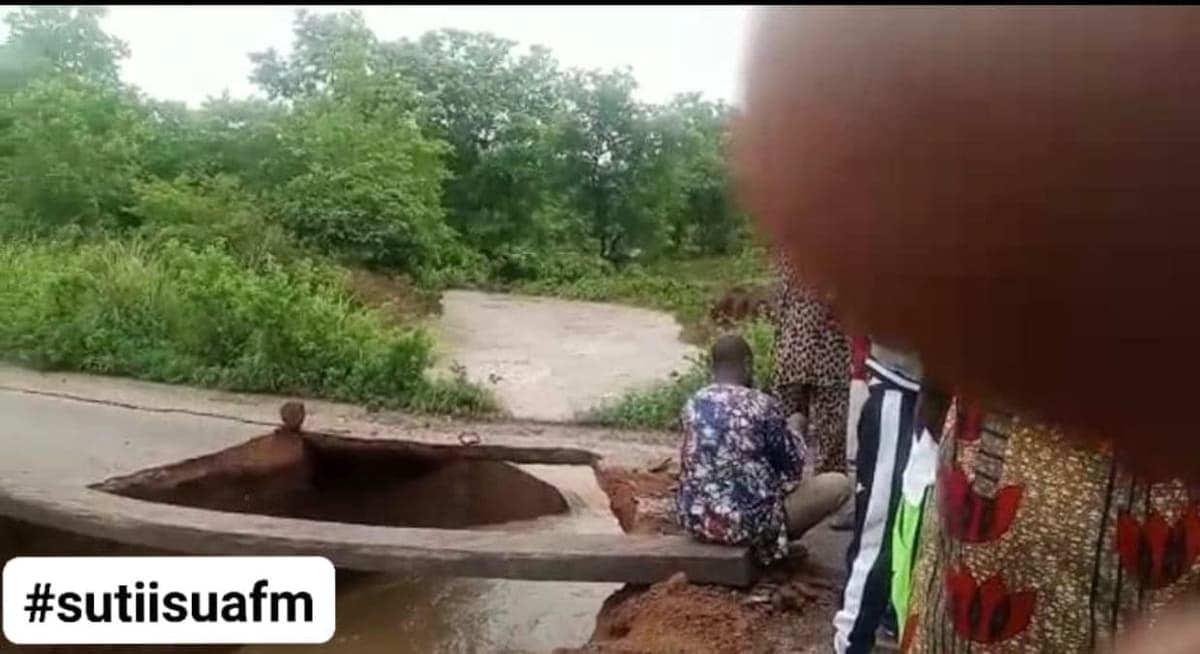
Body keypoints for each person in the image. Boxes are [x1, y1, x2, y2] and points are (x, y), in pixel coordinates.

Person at [676, 334, 852, 565]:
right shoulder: (761, 405)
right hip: (747, 527)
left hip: (699, 521)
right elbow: (793, 469)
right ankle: (775, 545)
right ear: (748, 365)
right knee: (837, 484)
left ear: (713, 367)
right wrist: (796, 429)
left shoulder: (693, 404)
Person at [833, 345, 925, 653]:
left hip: (939, 401)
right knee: (879, 534)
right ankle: (851, 643)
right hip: (903, 391)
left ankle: (889, 620)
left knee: (918, 536)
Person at [769, 255, 852, 476]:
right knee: (829, 439)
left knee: (784, 430)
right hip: (827, 353)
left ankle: (787, 484)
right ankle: (824, 491)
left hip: (796, 348)